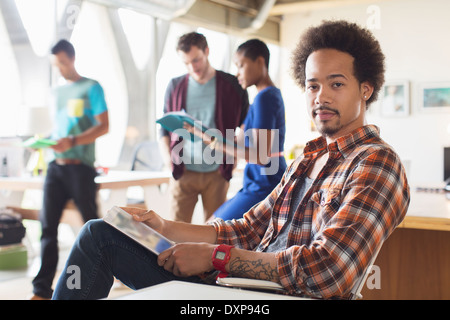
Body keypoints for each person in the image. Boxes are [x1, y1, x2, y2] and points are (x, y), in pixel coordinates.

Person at [53, 20, 410, 300]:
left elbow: (329, 269)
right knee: (101, 234)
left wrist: (214, 258)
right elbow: (247, 229)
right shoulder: (308, 159)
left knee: (98, 241)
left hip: (263, 296)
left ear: (366, 88)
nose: (320, 97)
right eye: (313, 85)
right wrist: (162, 226)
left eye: (336, 84)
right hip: (235, 287)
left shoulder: (376, 164)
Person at [30, 39, 109, 300]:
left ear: (72, 58)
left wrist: (73, 141)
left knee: (92, 228)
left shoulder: (91, 87)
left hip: (81, 170)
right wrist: (43, 141)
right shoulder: (55, 93)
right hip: (56, 168)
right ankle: (41, 291)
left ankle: (98, 283)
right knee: (47, 228)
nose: (61, 68)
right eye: (56, 64)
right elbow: (60, 130)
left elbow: (103, 126)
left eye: (63, 62)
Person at [185, 39, 287, 221]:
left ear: (260, 62)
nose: (237, 73)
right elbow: (240, 144)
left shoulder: (266, 98)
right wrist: (204, 135)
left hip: (265, 185)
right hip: (258, 182)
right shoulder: (263, 98)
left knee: (212, 227)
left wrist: (215, 142)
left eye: (241, 65)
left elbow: (261, 156)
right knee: (212, 226)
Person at [159, 32, 249, 223]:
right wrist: (168, 160)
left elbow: (245, 125)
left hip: (217, 173)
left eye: (196, 60)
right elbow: (164, 128)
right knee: (175, 233)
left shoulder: (232, 85)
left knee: (214, 235)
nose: (193, 67)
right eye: (187, 63)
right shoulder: (175, 86)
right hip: (183, 172)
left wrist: (233, 159)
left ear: (206, 51)